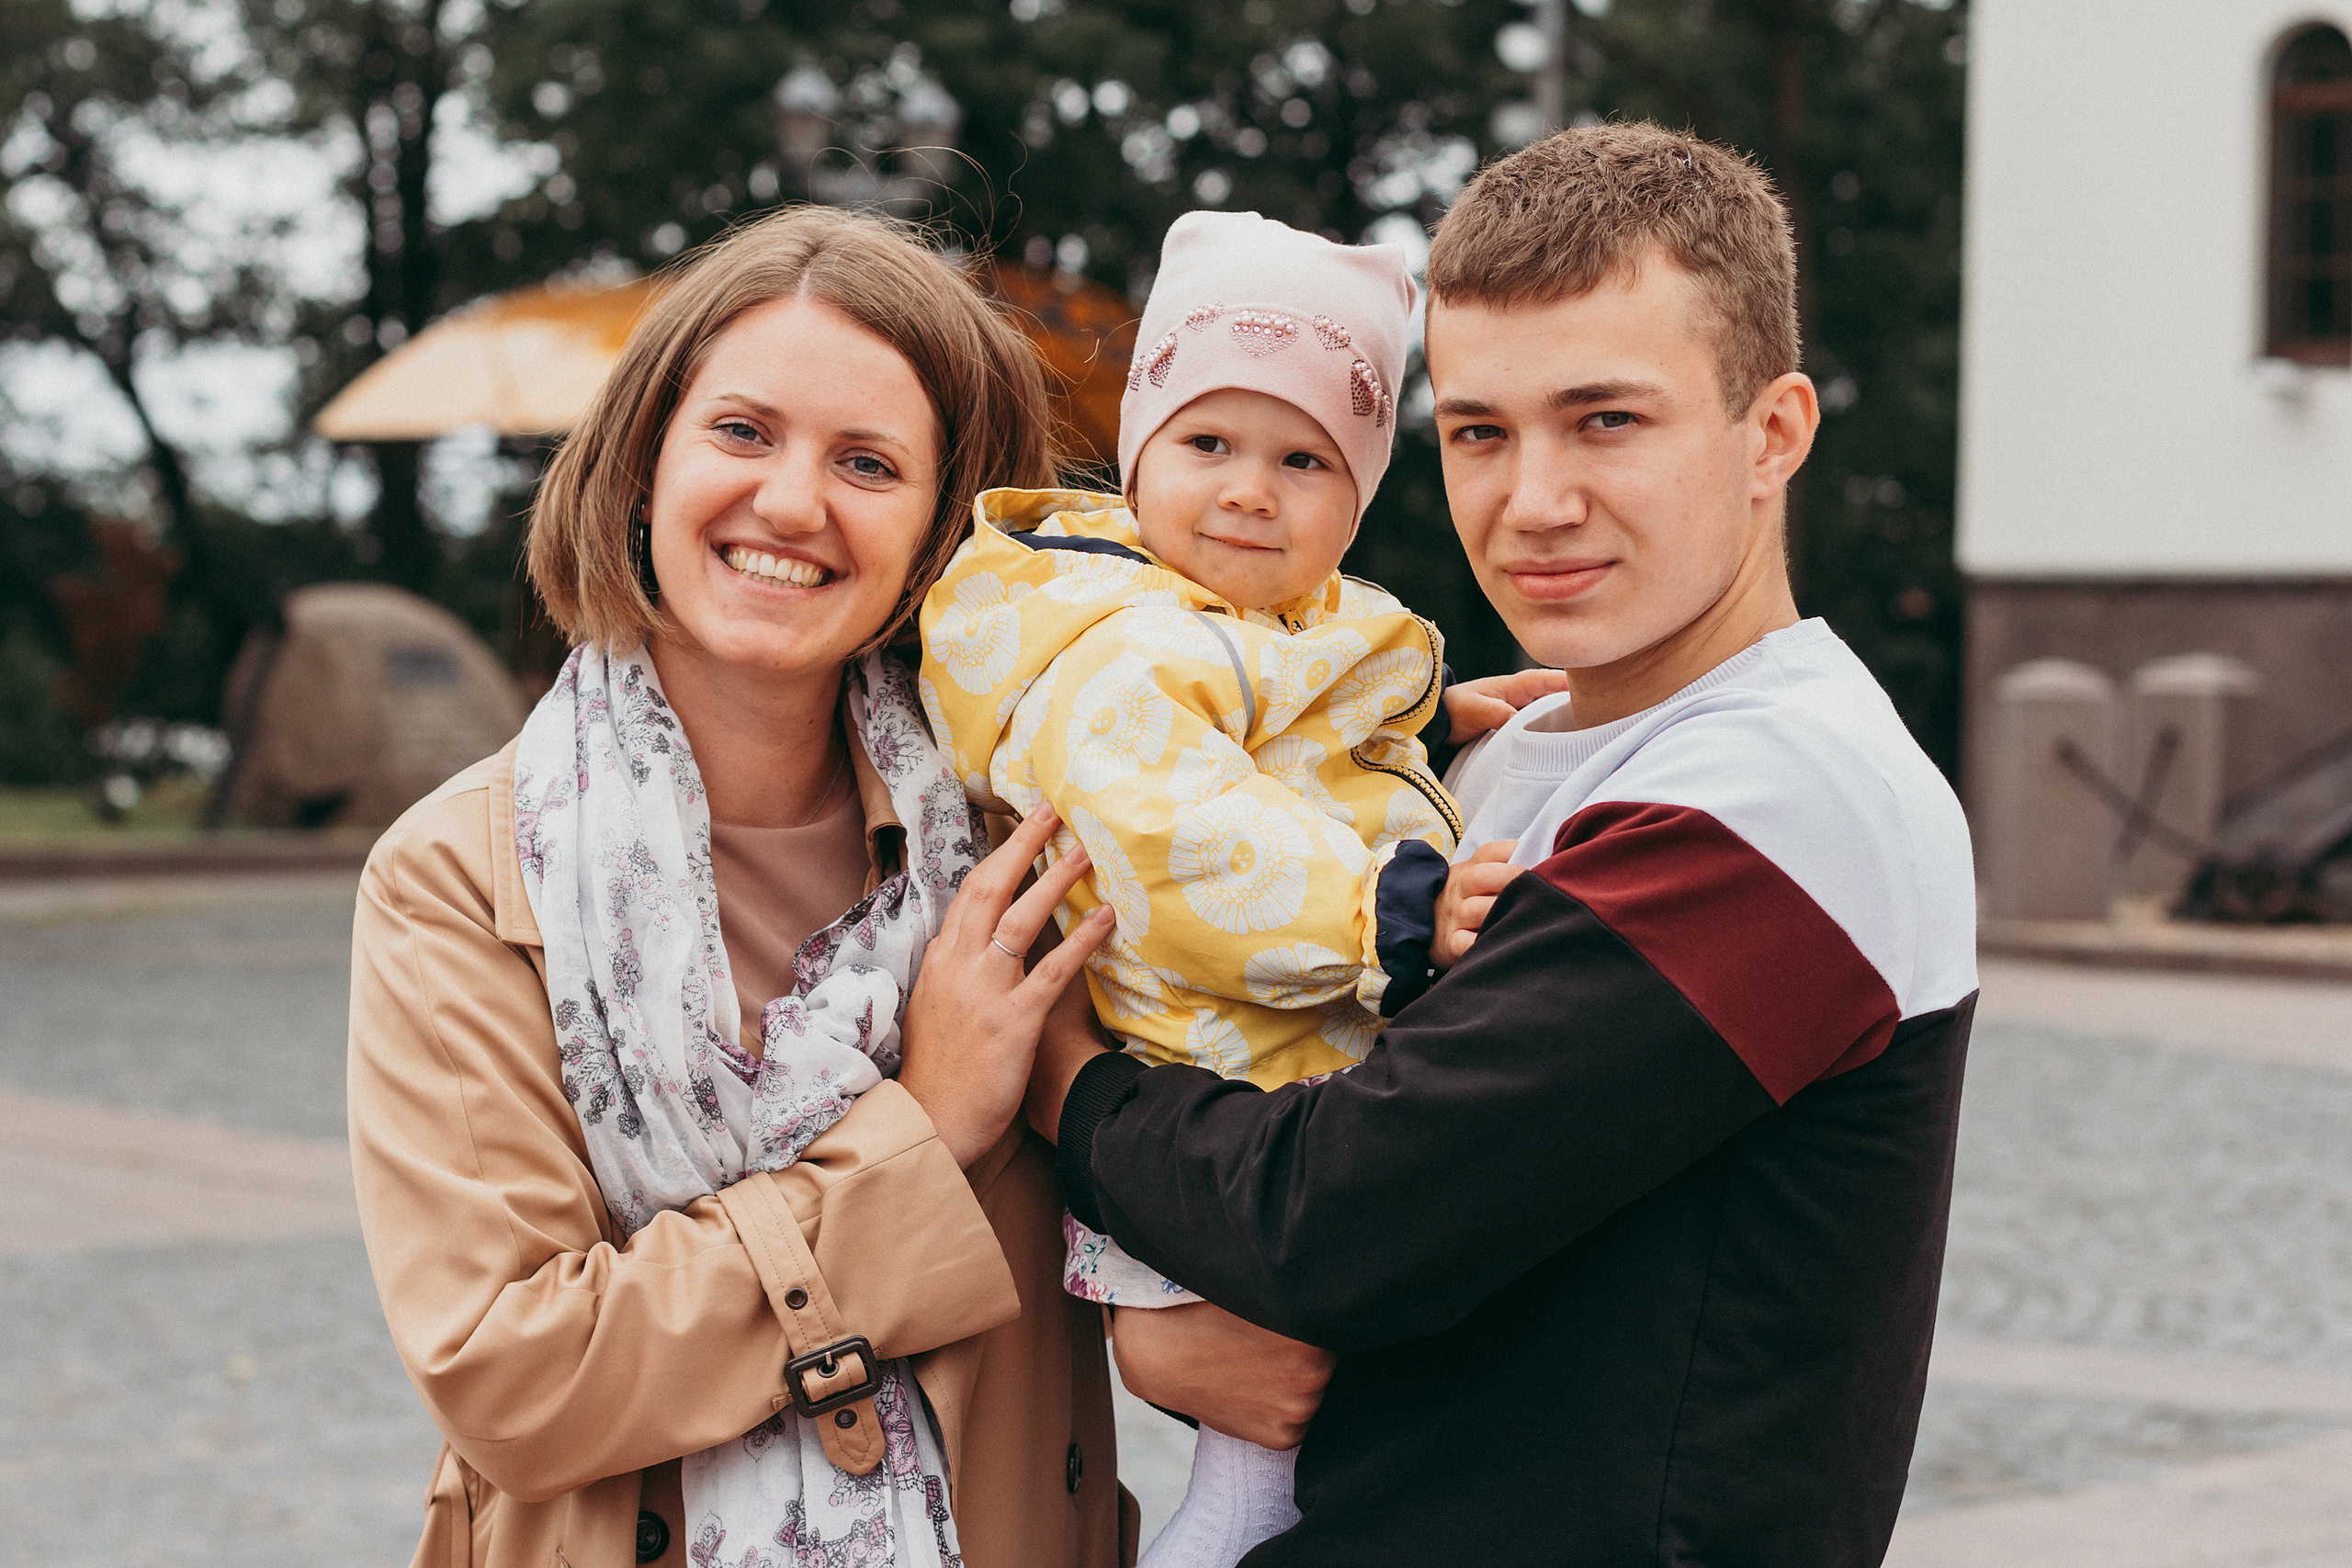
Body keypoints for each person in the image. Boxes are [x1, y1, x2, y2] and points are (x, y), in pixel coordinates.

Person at [1032, 122, 1980, 1565]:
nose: (1532, 502)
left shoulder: (1783, 799)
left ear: (1775, 433)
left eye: (1607, 421)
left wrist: (1055, 1074)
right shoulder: (1487, 761)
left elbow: (1331, 1221)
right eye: (1480, 431)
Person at [347, 207, 1130, 1568]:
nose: (792, 504)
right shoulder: (460, 878)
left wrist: (1374, 741)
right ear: (643, 465)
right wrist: (922, 1132)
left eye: (869, 463)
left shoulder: (1029, 840)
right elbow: (517, 1377)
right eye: (743, 432)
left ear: (943, 528)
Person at [918, 212, 1560, 1568]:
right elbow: (1181, 832)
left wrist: (1426, 717)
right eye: (1208, 443)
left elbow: (1283, 715)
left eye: (1303, 460)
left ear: (1359, 497)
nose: (1250, 492)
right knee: (1264, 1468)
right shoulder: (1114, 650)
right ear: (1138, 450)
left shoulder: (1245, 620)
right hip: (1205, 1072)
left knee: (1307, 1448)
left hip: (1254, 1060)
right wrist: (1392, 912)